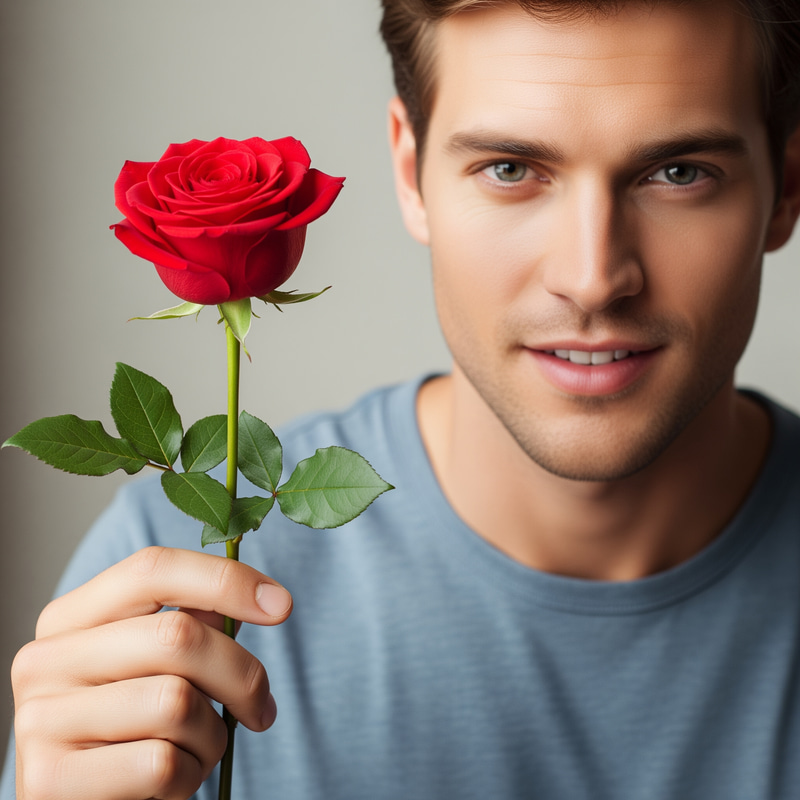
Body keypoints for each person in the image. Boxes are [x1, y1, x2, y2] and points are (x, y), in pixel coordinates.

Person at [3, 0, 800, 797]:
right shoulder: (186, 571)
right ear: (410, 171)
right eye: (511, 169)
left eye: (679, 173)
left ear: (786, 189)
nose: (592, 277)